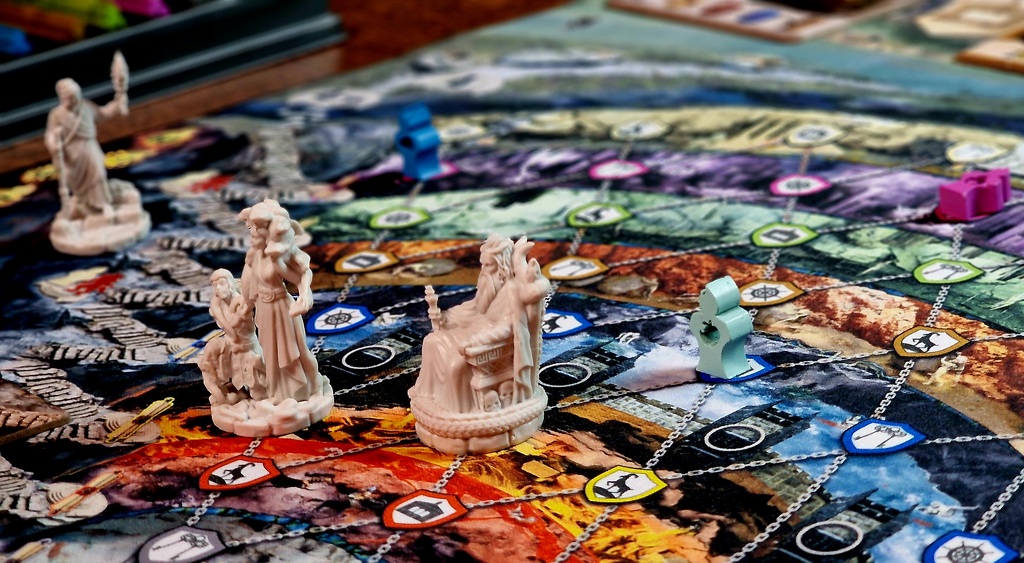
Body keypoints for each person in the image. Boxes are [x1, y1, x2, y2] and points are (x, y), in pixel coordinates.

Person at [238, 200, 323, 404]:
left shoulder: (278, 257)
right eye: (251, 228)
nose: (253, 233)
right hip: (264, 309)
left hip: (281, 308)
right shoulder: (253, 255)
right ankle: (278, 391)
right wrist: (245, 304)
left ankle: (310, 385)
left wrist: (304, 294)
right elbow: (248, 282)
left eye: (257, 228)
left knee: (294, 352)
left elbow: (301, 276)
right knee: (269, 353)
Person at [44, 78, 126, 220]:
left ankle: (104, 204)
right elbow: (50, 134)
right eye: (70, 97)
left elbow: (103, 113)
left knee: (98, 173)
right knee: (76, 180)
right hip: (72, 152)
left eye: (75, 96)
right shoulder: (56, 115)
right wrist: (54, 145)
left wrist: (118, 102)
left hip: (88, 146)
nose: (73, 100)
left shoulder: (86, 106)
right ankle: (86, 205)